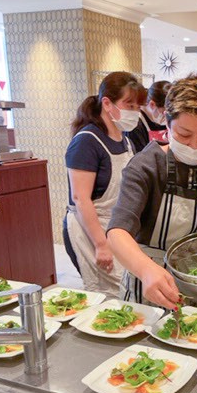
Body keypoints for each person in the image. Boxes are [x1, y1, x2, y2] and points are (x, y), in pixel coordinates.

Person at [107, 71, 197, 309]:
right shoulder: (146, 166)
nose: (195, 146)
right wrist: (146, 271)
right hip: (149, 287)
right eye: (184, 135)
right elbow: (117, 232)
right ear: (167, 122)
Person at [64, 71, 147, 294]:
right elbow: (81, 199)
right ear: (107, 103)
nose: (134, 112)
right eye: (129, 105)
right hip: (91, 230)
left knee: (128, 288)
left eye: (137, 107)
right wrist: (101, 245)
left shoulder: (125, 139)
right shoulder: (86, 142)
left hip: (115, 227)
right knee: (108, 294)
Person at [129, 80, 171, 152]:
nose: (166, 118)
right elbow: (139, 158)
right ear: (152, 104)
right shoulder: (135, 125)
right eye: (164, 113)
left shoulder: (162, 122)